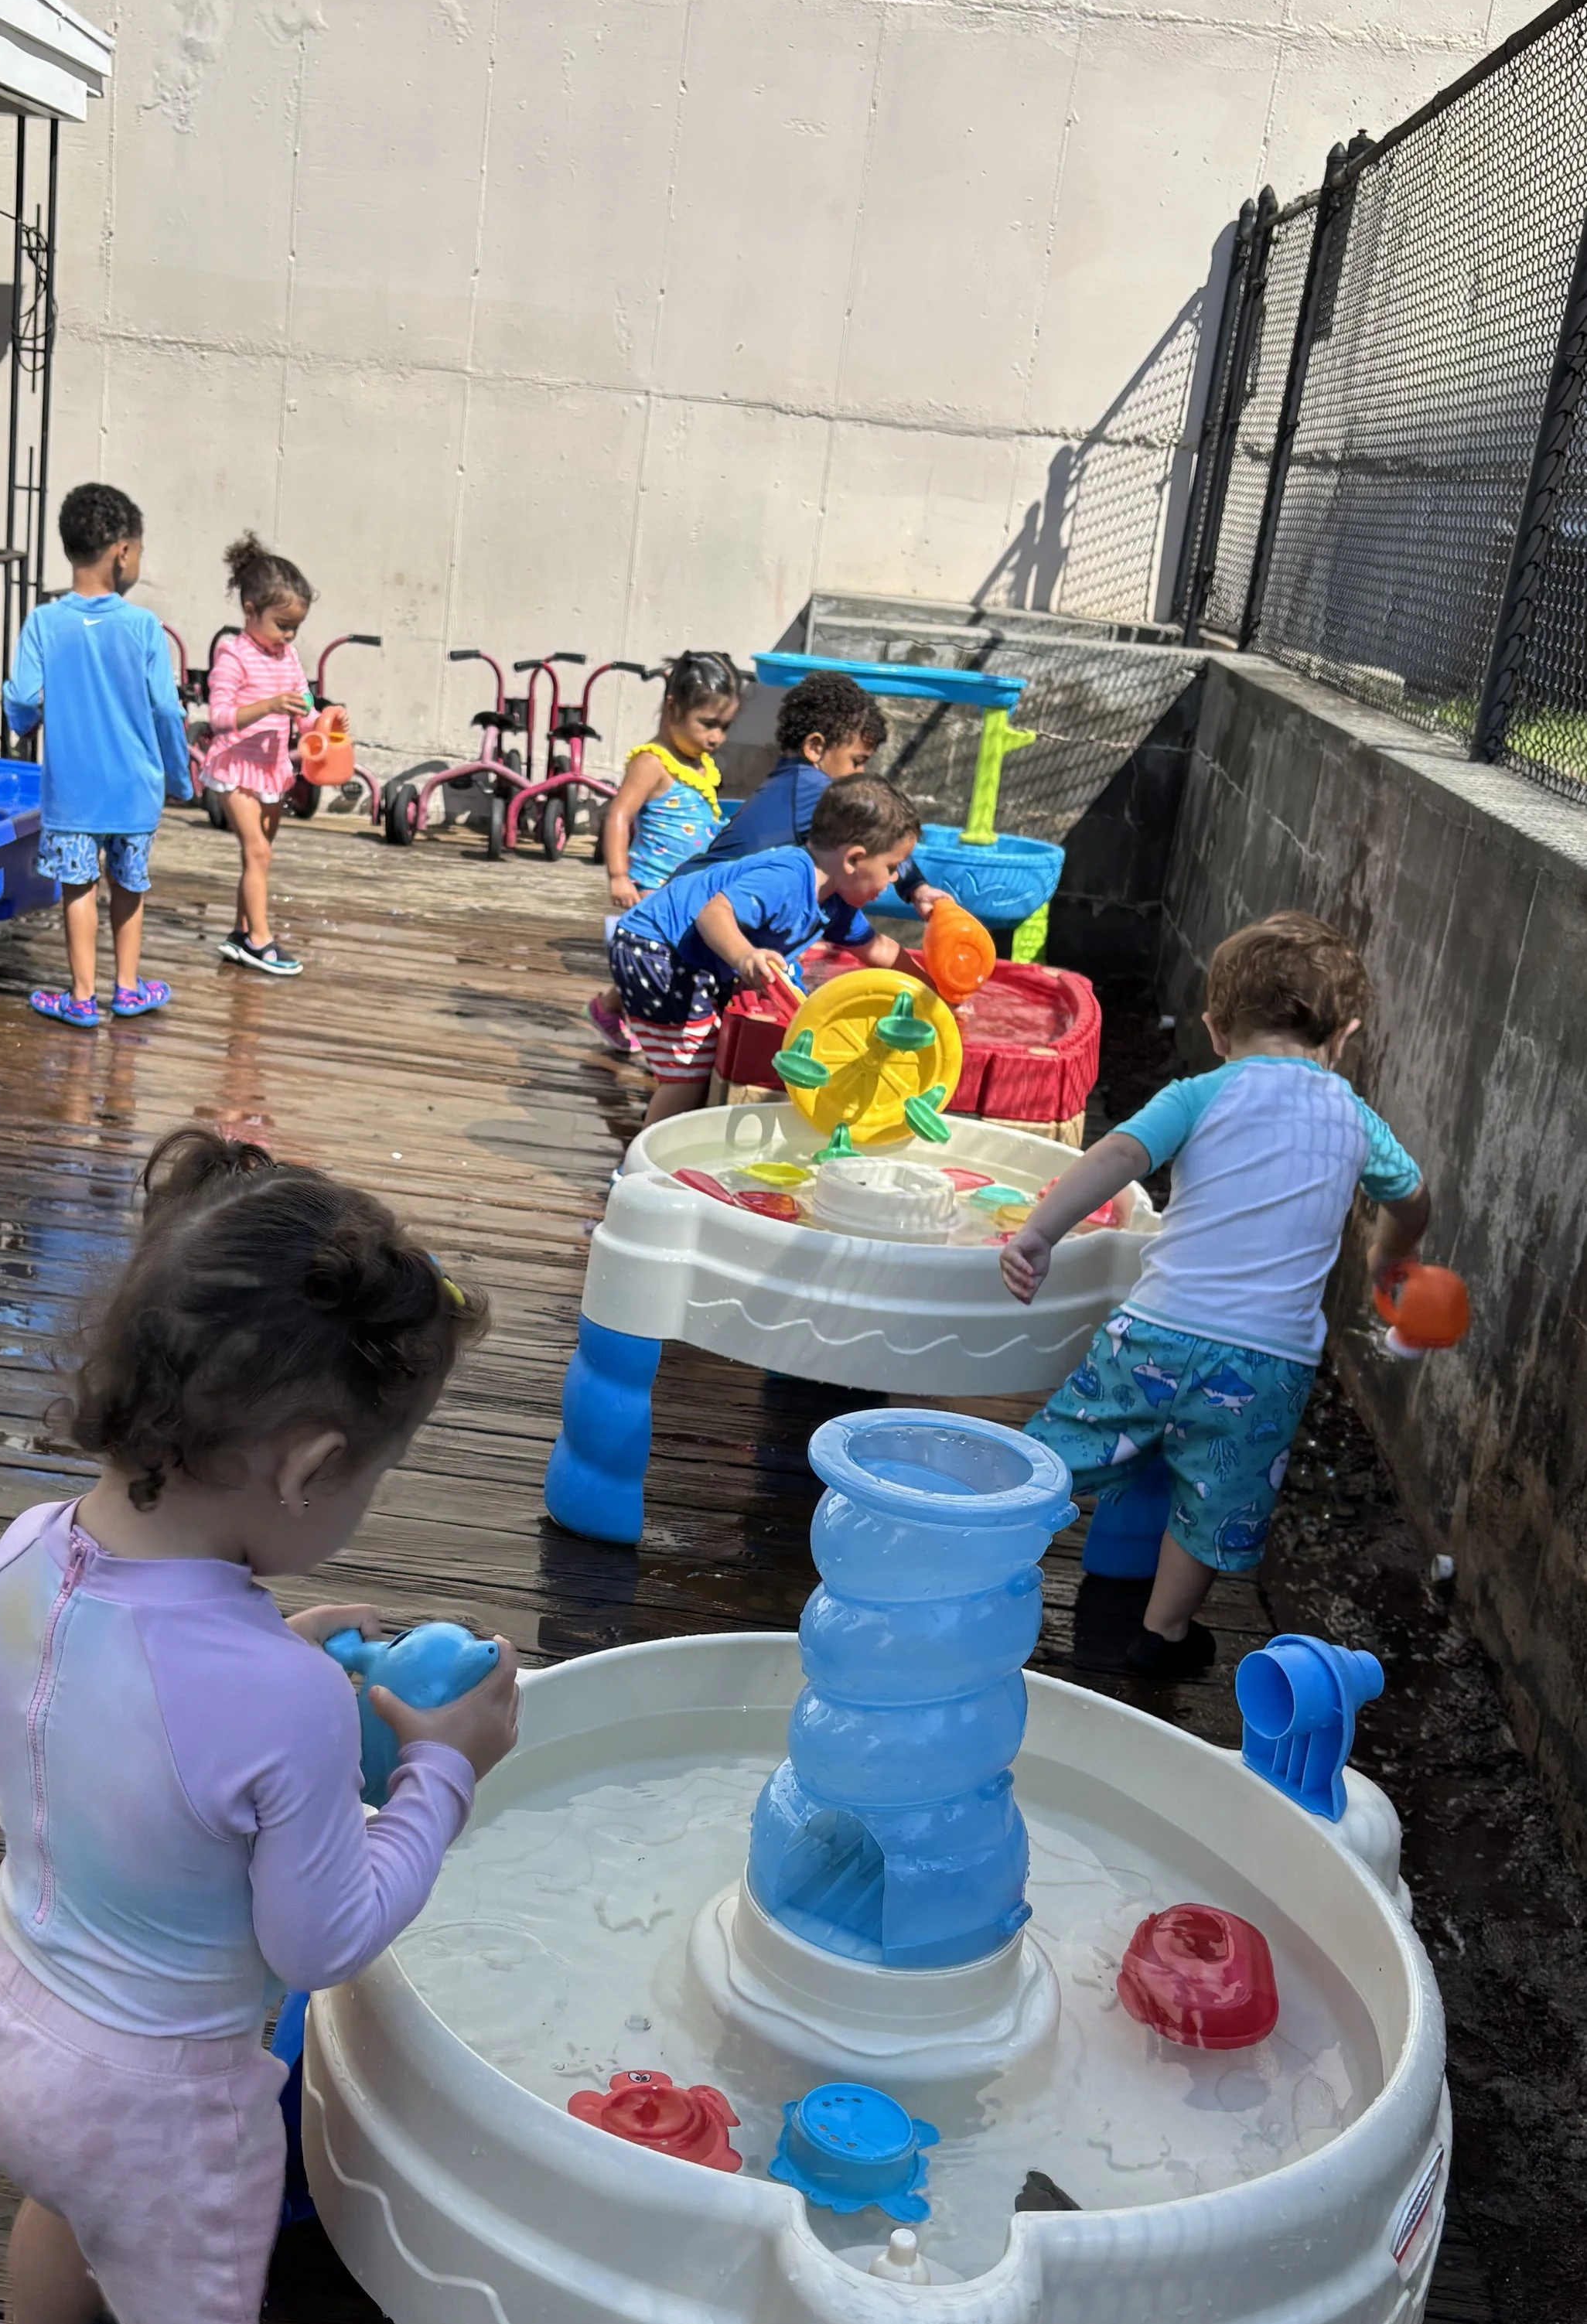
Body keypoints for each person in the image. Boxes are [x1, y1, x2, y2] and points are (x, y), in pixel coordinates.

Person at [0, 1129, 519, 2324]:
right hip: (156, 2092)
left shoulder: (25, 1550)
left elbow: (120, 1706)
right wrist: (441, 1768)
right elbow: (320, 1939)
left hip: (5, 2013)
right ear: (310, 1464)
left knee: (63, 2203)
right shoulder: (273, 1704)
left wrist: (269, 1650)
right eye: (373, 1475)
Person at [1001, 913, 1430, 1678]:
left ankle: (984, 1549)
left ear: (1214, 1028)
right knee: (1212, 1495)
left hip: (1156, 1334)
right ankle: (1161, 1631)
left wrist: (1039, 1235)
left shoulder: (1201, 1093)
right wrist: (1386, 1256)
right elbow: (1413, 1197)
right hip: (1267, 1363)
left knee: (1061, 1451)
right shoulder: (1358, 1119)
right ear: (1345, 1035)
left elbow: (1118, 1155)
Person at [606, 773, 926, 1125]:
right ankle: (643, 1166)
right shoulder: (787, 878)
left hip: (684, 957)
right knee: (688, 1073)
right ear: (853, 859)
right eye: (892, 868)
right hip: (654, 947)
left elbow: (880, 951)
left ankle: (671, 1118)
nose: (895, 879)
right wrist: (745, 956)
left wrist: (936, 996)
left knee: (700, 1055)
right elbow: (713, 915)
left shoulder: (836, 904)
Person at [5, 483, 192, 1029]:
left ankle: (83, 997)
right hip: (134, 789)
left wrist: (28, 722)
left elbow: (19, 696)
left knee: (78, 888)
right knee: (130, 885)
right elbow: (165, 709)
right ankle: (128, 988)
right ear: (123, 551)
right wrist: (178, 778)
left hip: (72, 792)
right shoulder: (144, 628)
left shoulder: (44, 622)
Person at [688, 666, 947, 918]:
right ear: (815, 747)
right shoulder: (812, 788)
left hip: (700, 901)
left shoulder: (791, 784)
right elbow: (882, 833)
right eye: (856, 761)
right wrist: (917, 889)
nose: (860, 774)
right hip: (693, 909)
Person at [586, 653, 740, 1056]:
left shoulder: (700, 764)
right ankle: (641, 1021)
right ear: (673, 707)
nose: (717, 737)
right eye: (707, 724)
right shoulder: (653, 762)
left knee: (674, 957)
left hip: (685, 883)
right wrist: (619, 875)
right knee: (662, 958)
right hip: (651, 883)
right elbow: (619, 814)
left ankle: (615, 1010)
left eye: (724, 727)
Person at [203, 533, 316, 978]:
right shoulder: (234, 656)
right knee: (258, 853)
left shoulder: (287, 657)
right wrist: (268, 706)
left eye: (295, 628)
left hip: (272, 770)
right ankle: (261, 942)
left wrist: (323, 723)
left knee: (259, 854)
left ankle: (240, 932)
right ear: (250, 611)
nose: (288, 635)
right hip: (235, 765)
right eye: (281, 624)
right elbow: (220, 717)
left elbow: (304, 706)